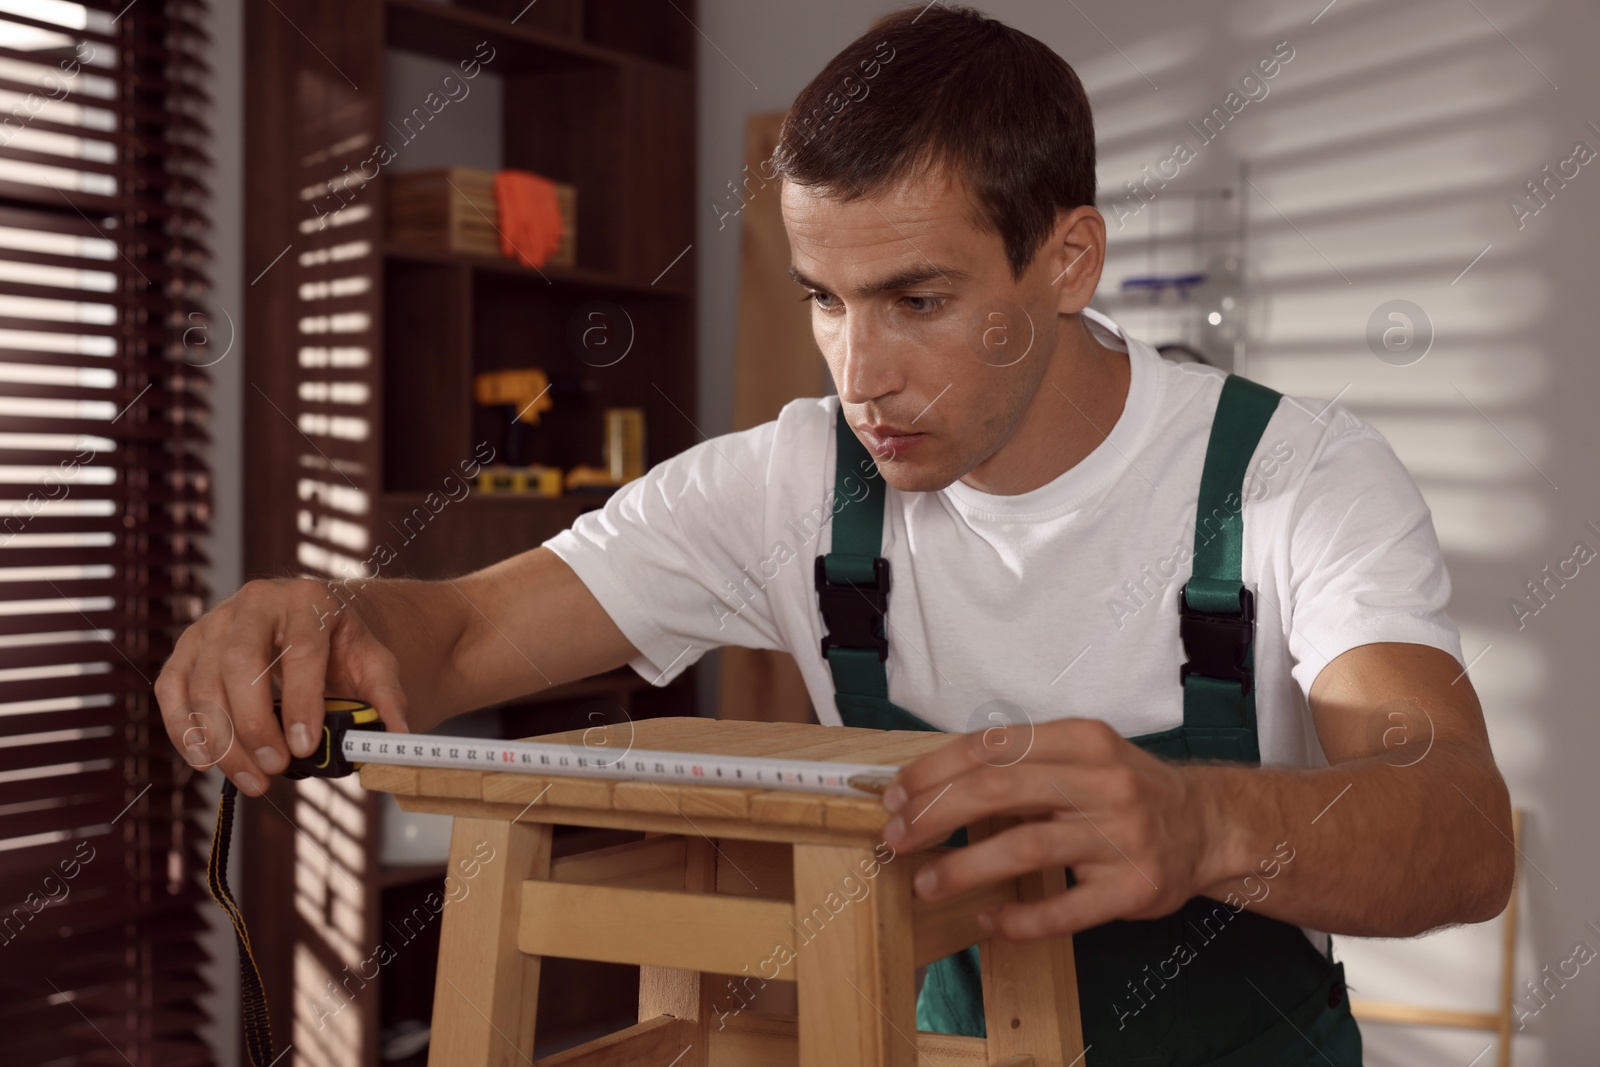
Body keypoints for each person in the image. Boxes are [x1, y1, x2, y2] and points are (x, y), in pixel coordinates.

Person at [157, 4, 1513, 1062]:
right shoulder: (791, 484)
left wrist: (1203, 819)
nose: (859, 375)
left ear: (1070, 261)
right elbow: (453, 634)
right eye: (823, 298)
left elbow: (1456, 826)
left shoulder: (1294, 475)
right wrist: (329, 613)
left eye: (918, 299)